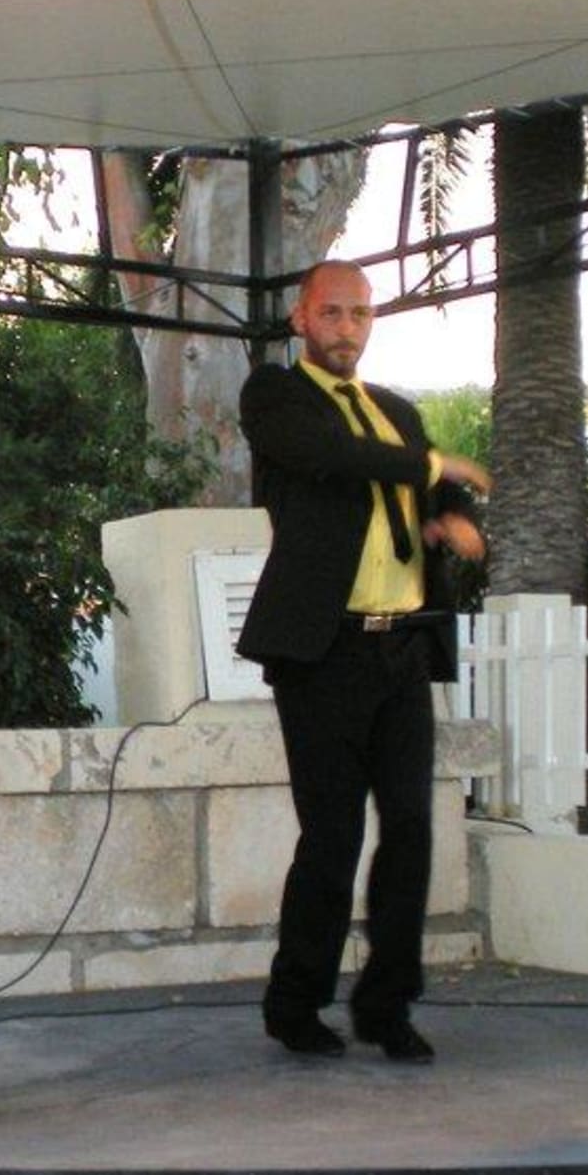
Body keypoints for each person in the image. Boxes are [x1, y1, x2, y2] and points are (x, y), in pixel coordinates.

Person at [238, 259, 491, 1063]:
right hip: (324, 650)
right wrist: (433, 467)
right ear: (301, 318)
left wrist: (455, 515)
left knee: (411, 828)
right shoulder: (277, 397)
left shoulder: (398, 412)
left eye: (360, 314)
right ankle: (295, 1003)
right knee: (333, 835)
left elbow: (437, 494)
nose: (347, 328)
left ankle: (388, 1006)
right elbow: (334, 457)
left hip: (403, 645)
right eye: (333, 313)